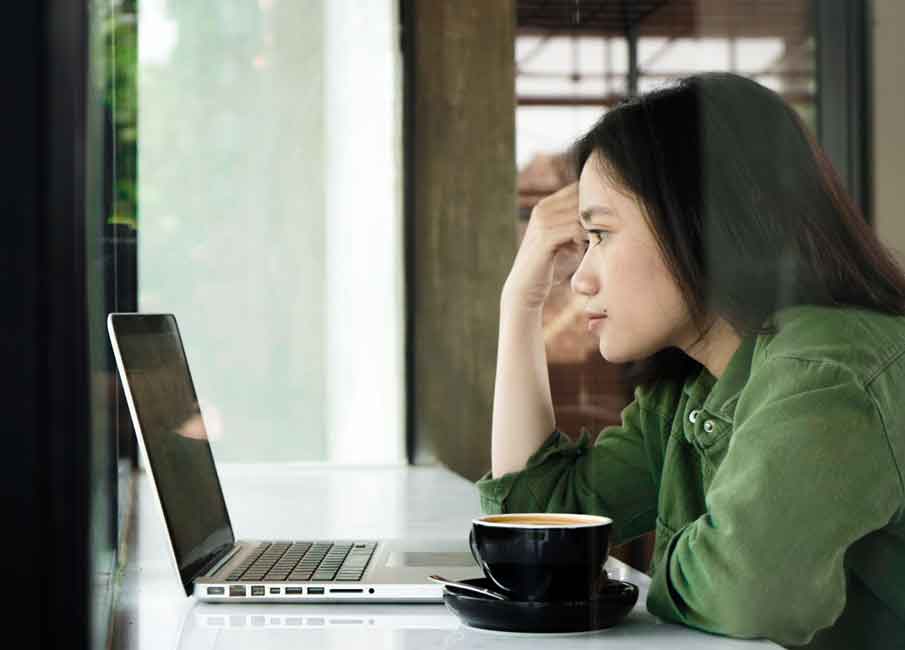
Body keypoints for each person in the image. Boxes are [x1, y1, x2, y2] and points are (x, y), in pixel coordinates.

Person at [476, 72, 905, 649]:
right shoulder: (692, 391)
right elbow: (541, 519)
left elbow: (750, 592)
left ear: (697, 218)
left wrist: (661, 565)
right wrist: (519, 301)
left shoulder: (825, 370)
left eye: (600, 234)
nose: (580, 279)